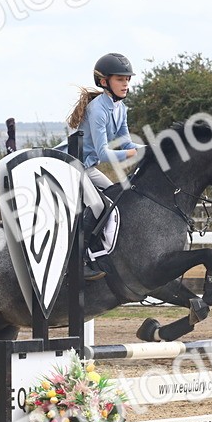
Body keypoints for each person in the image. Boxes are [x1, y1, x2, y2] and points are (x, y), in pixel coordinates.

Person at [66, 53, 147, 279]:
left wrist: (150, 148)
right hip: (70, 165)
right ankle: (80, 260)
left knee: (116, 198)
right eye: (120, 79)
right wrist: (133, 153)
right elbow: (103, 153)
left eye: (128, 79)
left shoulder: (121, 108)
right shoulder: (98, 110)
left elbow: (126, 142)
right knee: (100, 206)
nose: (126, 84)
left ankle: (101, 252)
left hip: (87, 168)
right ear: (104, 82)